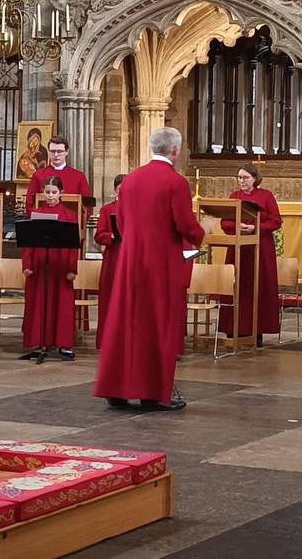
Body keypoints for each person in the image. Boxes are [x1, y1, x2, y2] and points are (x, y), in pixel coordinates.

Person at [94, 127, 206, 411]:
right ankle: (153, 394)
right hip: (161, 263)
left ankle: (116, 391)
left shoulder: (130, 180)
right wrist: (201, 233)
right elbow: (183, 224)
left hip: (130, 262)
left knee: (126, 323)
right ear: (176, 150)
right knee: (158, 324)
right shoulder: (175, 182)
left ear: (152, 147)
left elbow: (120, 223)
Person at [219, 163, 282, 345]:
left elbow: (276, 221)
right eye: (239, 177)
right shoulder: (234, 196)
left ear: (255, 178)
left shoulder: (266, 196)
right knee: (236, 286)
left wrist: (255, 227)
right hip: (238, 248)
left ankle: (257, 331)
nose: (242, 181)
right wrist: (238, 226)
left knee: (257, 287)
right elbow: (225, 223)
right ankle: (232, 329)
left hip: (260, 248)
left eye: (245, 177)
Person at [21, 177, 79, 361]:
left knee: (61, 304)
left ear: (61, 193)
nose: (50, 196)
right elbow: (28, 244)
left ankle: (63, 344)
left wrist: (72, 269)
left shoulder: (70, 215)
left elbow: (73, 246)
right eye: (47, 192)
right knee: (38, 303)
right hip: (40, 266)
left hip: (60, 267)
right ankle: (38, 343)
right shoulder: (36, 213)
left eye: (54, 192)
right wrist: (27, 264)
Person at [93, 174, 126, 349]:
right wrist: (111, 235)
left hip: (130, 257)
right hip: (113, 257)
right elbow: (99, 235)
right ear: (115, 190)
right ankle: (107, 339)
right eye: (120, 189)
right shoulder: (107, 209)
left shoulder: (137, 208)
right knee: (109, 298)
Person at [25, 135, 92, 217]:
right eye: (52, 151)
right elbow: (29, 203)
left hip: (70, 225)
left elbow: (88, 205)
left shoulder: (79, 176)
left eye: (59, 151)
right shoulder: (38, 175)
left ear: (67, 151)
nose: (56, 155)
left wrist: (78, 222)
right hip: (43, 223)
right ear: (49, 152)